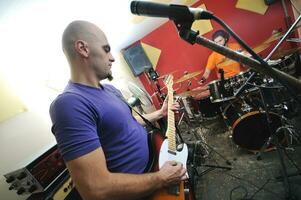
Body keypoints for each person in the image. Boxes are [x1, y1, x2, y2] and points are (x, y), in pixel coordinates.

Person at [49, 20, 186, 200]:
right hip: (143, 189)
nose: (112, 57)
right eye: (106, 49)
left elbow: (127, 123)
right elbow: (95, 189)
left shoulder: (111, 90)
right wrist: (160, 178)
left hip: (155, 168)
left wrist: (160, 112)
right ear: (83, 48)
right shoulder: (70, 104)